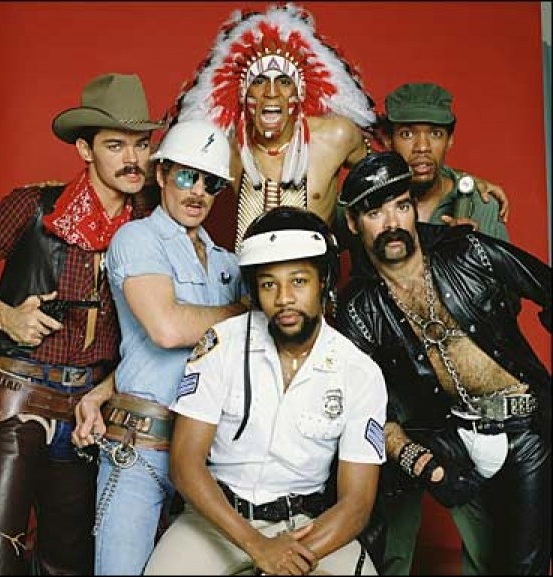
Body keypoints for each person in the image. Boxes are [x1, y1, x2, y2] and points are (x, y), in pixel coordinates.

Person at [0, 72, 161, 575]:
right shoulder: (32, 207)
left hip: (91, 410)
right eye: (115, 145)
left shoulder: (152, 223)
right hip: (17, 396)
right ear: (85, 150)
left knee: (69, 562)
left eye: (141, 144)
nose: (133, 159)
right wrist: (5, 315)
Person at [334, 151, 551, 575]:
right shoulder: (359, 309)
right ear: (354, 224)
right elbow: (362, 411)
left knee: (522, 567)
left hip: (524, 429)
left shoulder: (469, 252)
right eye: (375, 213)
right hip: (451, 433)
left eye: (401, 206)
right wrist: (418, 460)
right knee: (373, 483)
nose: (392, 223)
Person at [144, 206, 388, 576]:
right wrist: (257, 546)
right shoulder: (221, 344)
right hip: (217, 519)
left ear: (323, 281)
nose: (284, 298)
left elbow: (357, 503)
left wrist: (289, 557)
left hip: (307, 526)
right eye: (269, 284)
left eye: (299, 281)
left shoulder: (360, 373)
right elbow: (184, 464)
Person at [167, 4, 509, 253]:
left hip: (317, 299)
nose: (271, 93)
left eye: (283, 81)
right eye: (258, 82)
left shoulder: (336, 136)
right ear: (243, 93)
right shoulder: (225, 146)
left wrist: (461, 182)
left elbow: (388, 172)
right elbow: (169, 179)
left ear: (299, 92)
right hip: (247, 296)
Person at [70, 118, 248, 575]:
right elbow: (166, 329)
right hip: (141, 446)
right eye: (187, 176)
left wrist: (104, 387)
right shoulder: (137, 239)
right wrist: (246, 314)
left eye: (211, 183)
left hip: (210, 453)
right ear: (162, 173)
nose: (198, 192)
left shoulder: (228, 264)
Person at [380, 82, 509, 238]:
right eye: (407, 134)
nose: (422, 147)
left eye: (436, 134)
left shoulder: (482, 206)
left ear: (449, 140)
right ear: (388, 140)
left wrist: (471, 248)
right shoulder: (369, 203)